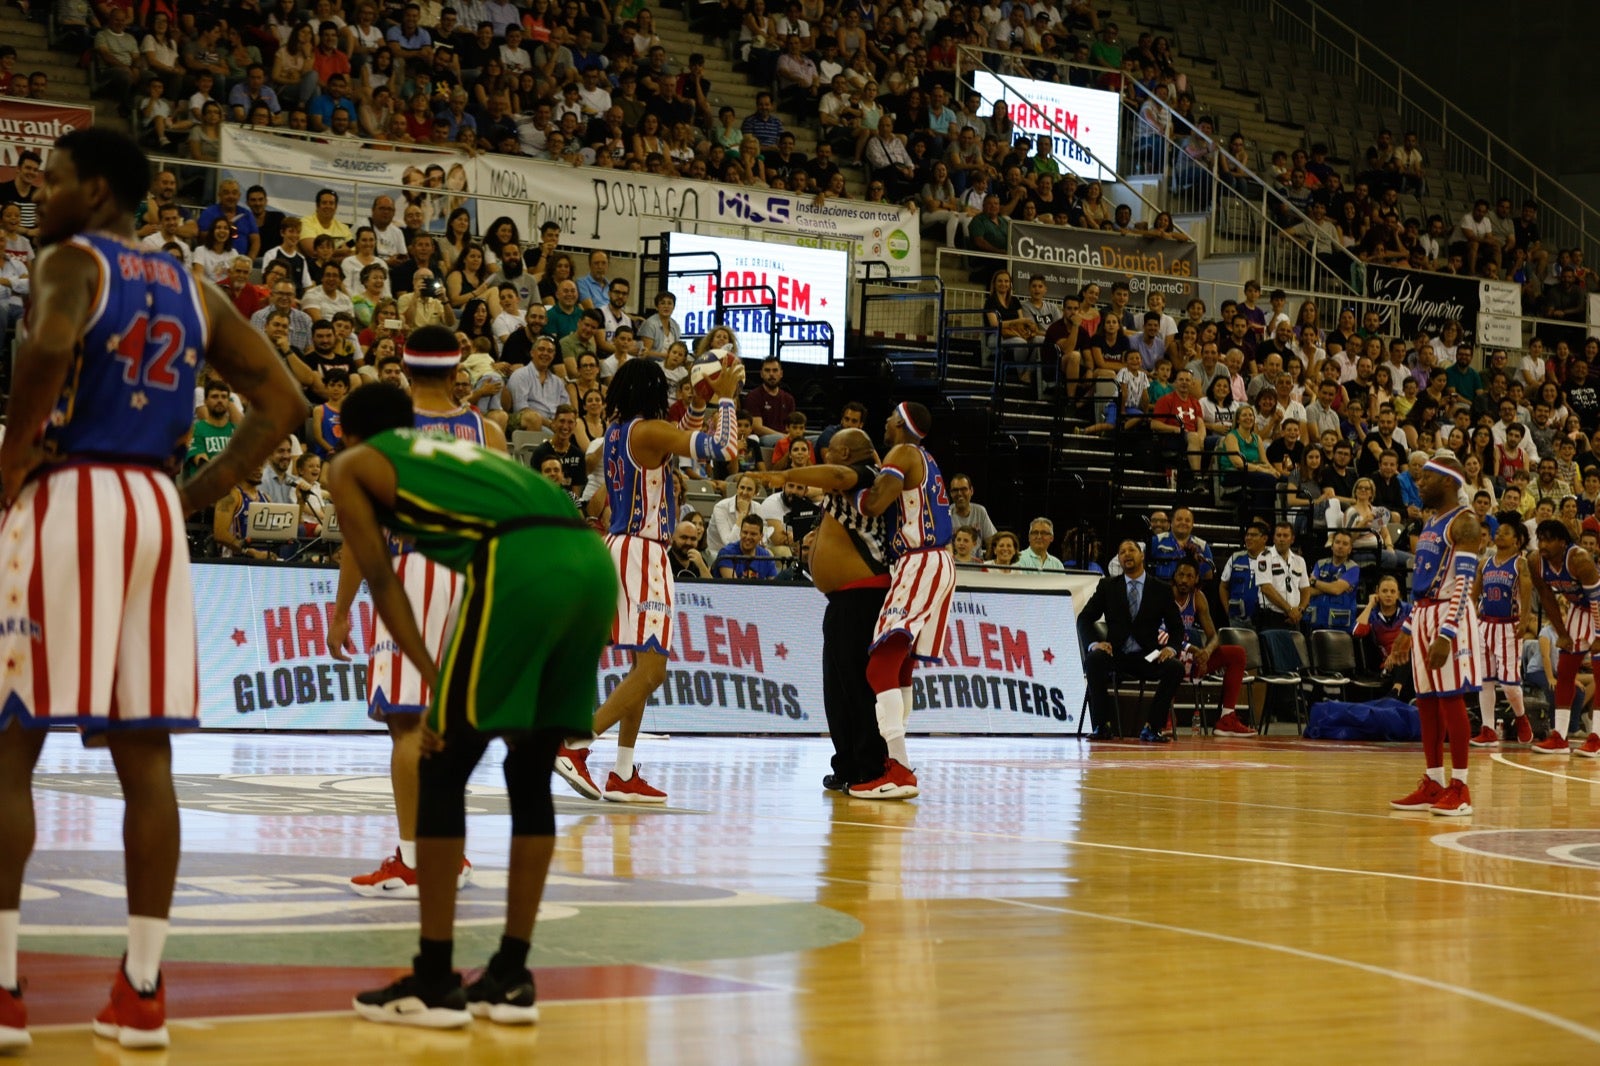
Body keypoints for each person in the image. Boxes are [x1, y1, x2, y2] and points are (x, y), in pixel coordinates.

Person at [0, 128, 306, 1051]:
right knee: (148, 759)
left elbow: (51, 343)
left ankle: (4, 989)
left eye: (51, 179)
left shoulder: (68, 261)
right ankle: (141, 989)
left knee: (11, 744)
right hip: (155, 512)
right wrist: (197, 495)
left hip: (69, 495)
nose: (36, 193)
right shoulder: (194, 286)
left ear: (96, 191)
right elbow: (284, 404)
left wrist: (11, 458)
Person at [323, 381, 614, 1029]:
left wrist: (434, 678)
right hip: (593, 564)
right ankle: (511, 974)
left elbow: (381, 580)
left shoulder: (353, 464)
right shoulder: (460, 453)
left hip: (521, 562)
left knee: (442, 765)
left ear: (346, 432)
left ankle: (433, 980)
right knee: (528, 770)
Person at [331, 326, 507, 899]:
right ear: (459, 371)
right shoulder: (487, 431)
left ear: (403, 370)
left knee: (409, 725)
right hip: (473, 578)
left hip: (413, 573)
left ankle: (415, 861)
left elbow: (361, 531)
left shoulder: (387, 432)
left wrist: (341, 609)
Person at [553, 359, 744, 804]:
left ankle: (622, 773)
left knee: (640, 669)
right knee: (654, 670)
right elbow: (723, 449)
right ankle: (574, 744)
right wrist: (726, 397)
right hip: (644, 551)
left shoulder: (618, 432)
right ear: (653, 392)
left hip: (620, 546)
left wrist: (698, 404)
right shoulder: (650, 432)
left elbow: (678, 436)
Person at [754, 429, 893, 789]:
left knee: (856, 685)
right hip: (844, 598)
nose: (825, 455)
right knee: (837, 688)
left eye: (830, 450)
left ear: (844, 452)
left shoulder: (866, 474)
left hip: (863, 595)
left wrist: (785, 475)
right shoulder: (843, 487)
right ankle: (847, 764)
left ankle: (871, 767)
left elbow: (837, 475)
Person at [853, 402, 955, 798]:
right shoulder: (926, 459)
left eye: (888, 418)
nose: (883, 422)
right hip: (936, 561)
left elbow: (874, 503)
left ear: (899, 423)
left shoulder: (903, 451)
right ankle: (895, 760)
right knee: (900, 669)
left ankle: (898, 766)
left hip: (920, 559)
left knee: (879, 666)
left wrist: (846, 490)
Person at [1385, 457, 1485, 816]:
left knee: (1450, 698)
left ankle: (1460, 787)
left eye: (1426, 477)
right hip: (1425, 613)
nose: (1420, 482)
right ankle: (1433, 783)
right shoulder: (1430, 523)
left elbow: (1463, 584)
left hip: (1449, 615)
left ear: (1447, 481)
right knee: (1426, 701)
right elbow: (1423, 583)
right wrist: (1407, 628)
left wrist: (1447, 634)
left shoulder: (1465, 522)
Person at [1078, 539, 1187, 743]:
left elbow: (1177, 627)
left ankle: (1152, 727)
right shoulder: (1108, 586)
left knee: (1175, 668)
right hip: (1116, 654)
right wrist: (1094, 644)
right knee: (1093, 660)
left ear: (1142, 555)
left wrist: (1171, 648)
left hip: (1148, 656)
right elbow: (1084, 618)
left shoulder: (1161, 588)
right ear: (1119, 559)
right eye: (1122, 552)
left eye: (1131, 550)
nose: (1126, 554)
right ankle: (1101, 725)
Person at [1527, 518, 1600, 757]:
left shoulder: (1579, 559)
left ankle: (1597, 738)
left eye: (1548, 540)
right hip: (1578, 609)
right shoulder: (1535, 561)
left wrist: (1599, 636)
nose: (1542, 545)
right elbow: (1546, 597)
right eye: (1540, 539)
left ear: (1562, 542)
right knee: (1565, 671)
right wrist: (1562, 633)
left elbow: (1596, 599)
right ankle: (1559, 736)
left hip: (1598, 608)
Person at [1168, 559, 1255, 737]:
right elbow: (1161, 635)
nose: (1184, 580)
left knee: (1237, 654)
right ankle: (1165, 715)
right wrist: (1193, 650)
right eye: (1181, 575)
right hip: (1166, 654)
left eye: (1189, 576)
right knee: (1172, 656)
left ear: (1196, 579)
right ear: (1174, 576)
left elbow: (1214, 636)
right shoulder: (1164, 595)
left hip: (1190, 657)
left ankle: (1227, 718)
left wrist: (1206, 653)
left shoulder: (1198, 598)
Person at [1470, 521, 1535, 748]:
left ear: (1517, 540)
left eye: (1505, 533)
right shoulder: (1484, 563)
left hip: (1509, 626)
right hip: (1484, 624)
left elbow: (1526, 595)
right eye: (1497, 532)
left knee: (1509, 684)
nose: (1499, 535)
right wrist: (1470, 618)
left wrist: (1524, 621)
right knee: (1485, 680)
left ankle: (1521, 716)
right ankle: (1488, 729)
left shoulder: (1520, 564)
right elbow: (1473, 595)